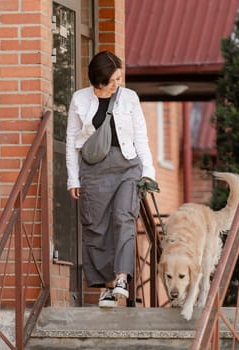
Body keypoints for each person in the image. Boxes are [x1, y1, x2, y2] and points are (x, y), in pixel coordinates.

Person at [65, 51, 157, 308]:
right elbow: (73, 143)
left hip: (127, 167)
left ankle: (121, 278)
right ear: (99, 80)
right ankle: (107, 287)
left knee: (123, 217)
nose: (118, 83)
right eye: (113, 79)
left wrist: (148, 172)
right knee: (96, 225)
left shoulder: (129, 98)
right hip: (93, 169)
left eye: (119, 78)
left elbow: (141, 137)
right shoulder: (80, 99)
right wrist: (73, 178)